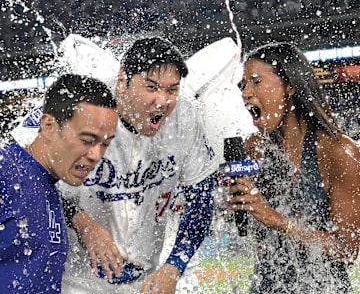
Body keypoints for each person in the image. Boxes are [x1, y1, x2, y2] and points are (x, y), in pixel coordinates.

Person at [57, 36, 217, 293]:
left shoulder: (185, 116)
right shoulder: (84, 107)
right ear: (122, 82)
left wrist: (174, 266)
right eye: (151, 87)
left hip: (146, 281)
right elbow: (29, 172)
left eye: (171, 90)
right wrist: (82, 222)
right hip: (77, 280)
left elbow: (201, 200)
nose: (162, 101)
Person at [229, 42, 360, 293]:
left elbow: (346, 251)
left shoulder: (338, 152)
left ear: (290, 85)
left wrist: (275, 219)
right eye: (244, 84)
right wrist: (240, 206)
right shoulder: (254, 148)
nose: (246, 93)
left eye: (256, 82)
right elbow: (260, 242)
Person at [0, 73, 118, 293]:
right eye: (87, 141)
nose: (96, 155)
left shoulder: (49, 189)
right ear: (48, 125)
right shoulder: (6, 171)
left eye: (105, 144)